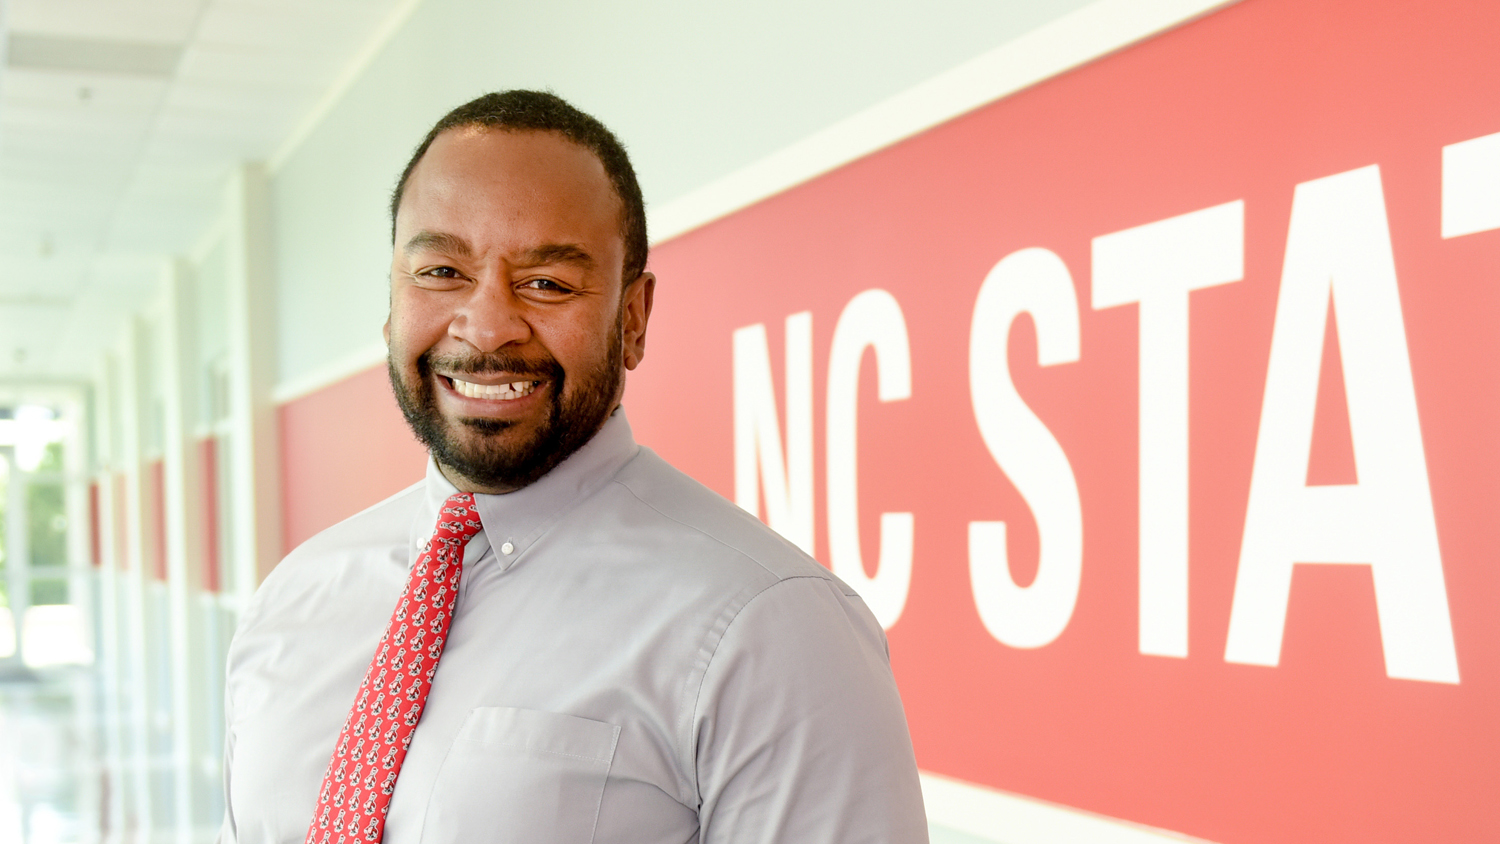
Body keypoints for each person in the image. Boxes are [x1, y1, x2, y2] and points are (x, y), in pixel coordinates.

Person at [218, 90, 928, 843]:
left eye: (547, 283)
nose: (487, 325)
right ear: (392, 298)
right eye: (440, 272)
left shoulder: (774, 628)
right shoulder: (293, 599)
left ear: (633, 318)